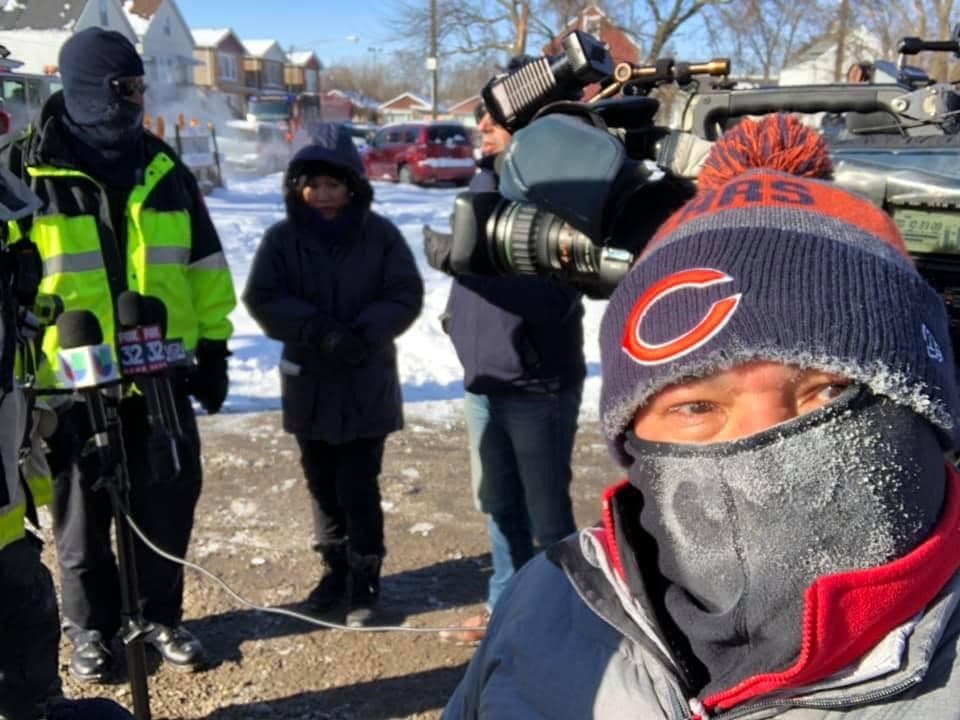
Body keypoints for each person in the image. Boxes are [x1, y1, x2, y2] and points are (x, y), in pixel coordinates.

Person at [443, 114, 960, 718]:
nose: (763, 445)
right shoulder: (548, 604)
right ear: (634, 433)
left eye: (828, 391)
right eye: (695, 405)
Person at [2, 28, 237, 683]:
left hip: (157, 374)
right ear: (84, 89)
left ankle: (160, 615)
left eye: (139, 87)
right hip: (67, 384)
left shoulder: (163, 168)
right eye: (122, 88)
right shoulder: (25, 171)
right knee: (82, 524)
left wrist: (213, 347)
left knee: (166, 506)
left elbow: (205, 266)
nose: (135, 100)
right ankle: (92, 630)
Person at [243, 124, 423, 627]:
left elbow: (404, 294)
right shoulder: (282, 240)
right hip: (310, 383)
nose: (323, 195)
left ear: (353, 187)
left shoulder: (380, 235)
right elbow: (264, 297)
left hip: (366, 381)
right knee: (321, 483)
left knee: (358, 485)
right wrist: (318, 331)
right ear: (296, 188)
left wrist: (364, 333)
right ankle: (334, 569)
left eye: (334, 185)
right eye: (312, 185)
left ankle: (366, 576)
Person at [425, 103, 586, 644]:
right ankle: (505, 610)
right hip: (484, 381)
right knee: (497, 504)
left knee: (546, 518)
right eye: (483, 118)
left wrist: (463, 260)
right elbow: (475, 270)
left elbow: (551, 298)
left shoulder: (562, 192)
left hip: (537, 385)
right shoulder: (482, 180)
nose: (483, 128)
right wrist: (456, 310)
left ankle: (561, 619)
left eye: (496, 120)